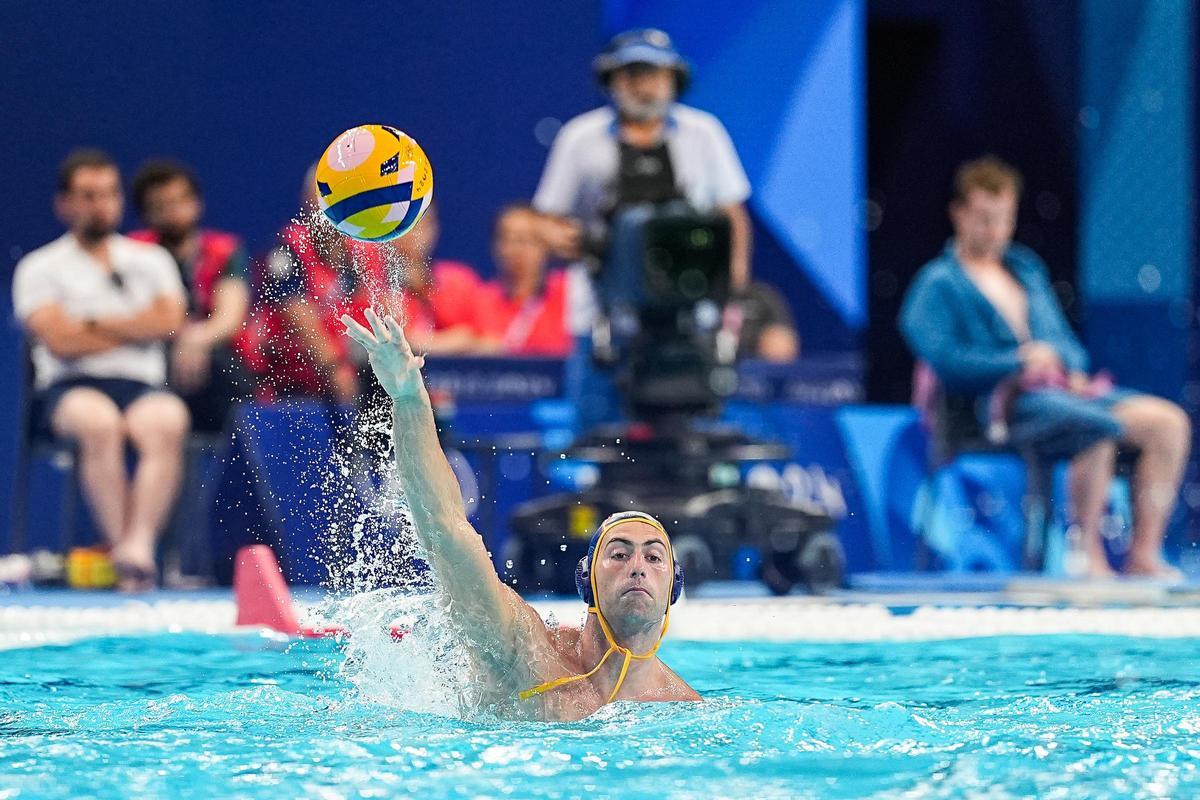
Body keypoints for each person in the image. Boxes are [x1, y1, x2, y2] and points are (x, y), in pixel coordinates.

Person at [341, 309, 700, 720]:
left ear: (674, 586)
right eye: (619, 554)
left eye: (654, 557)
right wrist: (409, 399)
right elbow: (446, 529)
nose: (637, 567)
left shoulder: (682, 709)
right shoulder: (526, 653)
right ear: (586, 580)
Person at [900, 155, 1190, 580]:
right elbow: (946, 360)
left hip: (1058, 394)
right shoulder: (938, 283)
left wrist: (1064, 365)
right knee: (1093, 425)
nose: (995, 230)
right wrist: (1016, 362)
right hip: (993, 406)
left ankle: (1144, 554)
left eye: (1004, 219)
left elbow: (1064, 342)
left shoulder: (1025, 269)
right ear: (958, 214)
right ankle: (1086, 554)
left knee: (1168, 424)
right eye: (984, 219)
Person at [12, 149, 189, 590]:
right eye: (89, 196)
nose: (101, 205)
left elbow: (169, 323)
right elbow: (61, 342)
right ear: (64, 204)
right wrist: (136, 325)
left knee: (168, 419)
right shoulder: (39, 267)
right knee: (99, 422)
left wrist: (90, 322)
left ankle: (136, 547)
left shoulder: (152, 260)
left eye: (110, 194)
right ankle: (126, 557)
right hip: (69, 389)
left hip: (141, 386)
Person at [532, 28, 753, 335]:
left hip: (693, 307)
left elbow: (732, 214)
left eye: (656, 75)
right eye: (633, 75)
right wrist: (562, 237)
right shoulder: (579, 137)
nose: (645, 86)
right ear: (611, 80)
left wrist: (732, 286)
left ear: (675, 80)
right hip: (600, 309)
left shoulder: (705, 132)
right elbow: (547, 219)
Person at [129, 159, 252, 431]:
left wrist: (197, 338)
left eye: (179, 201)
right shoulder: (133, 253)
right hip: (155, 349)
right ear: (145, 213)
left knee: (222, 365)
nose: (172, 213)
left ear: (196, 203)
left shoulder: (223, 251)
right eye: (160, 206)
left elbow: (229, 319)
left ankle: (235, 446)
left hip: (210, 351)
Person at [473, 204, 572, 357]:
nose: (514, 249)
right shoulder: (479, 301)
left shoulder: (568, 293)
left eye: (525, 240)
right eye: (506, 239)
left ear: (546, 246)